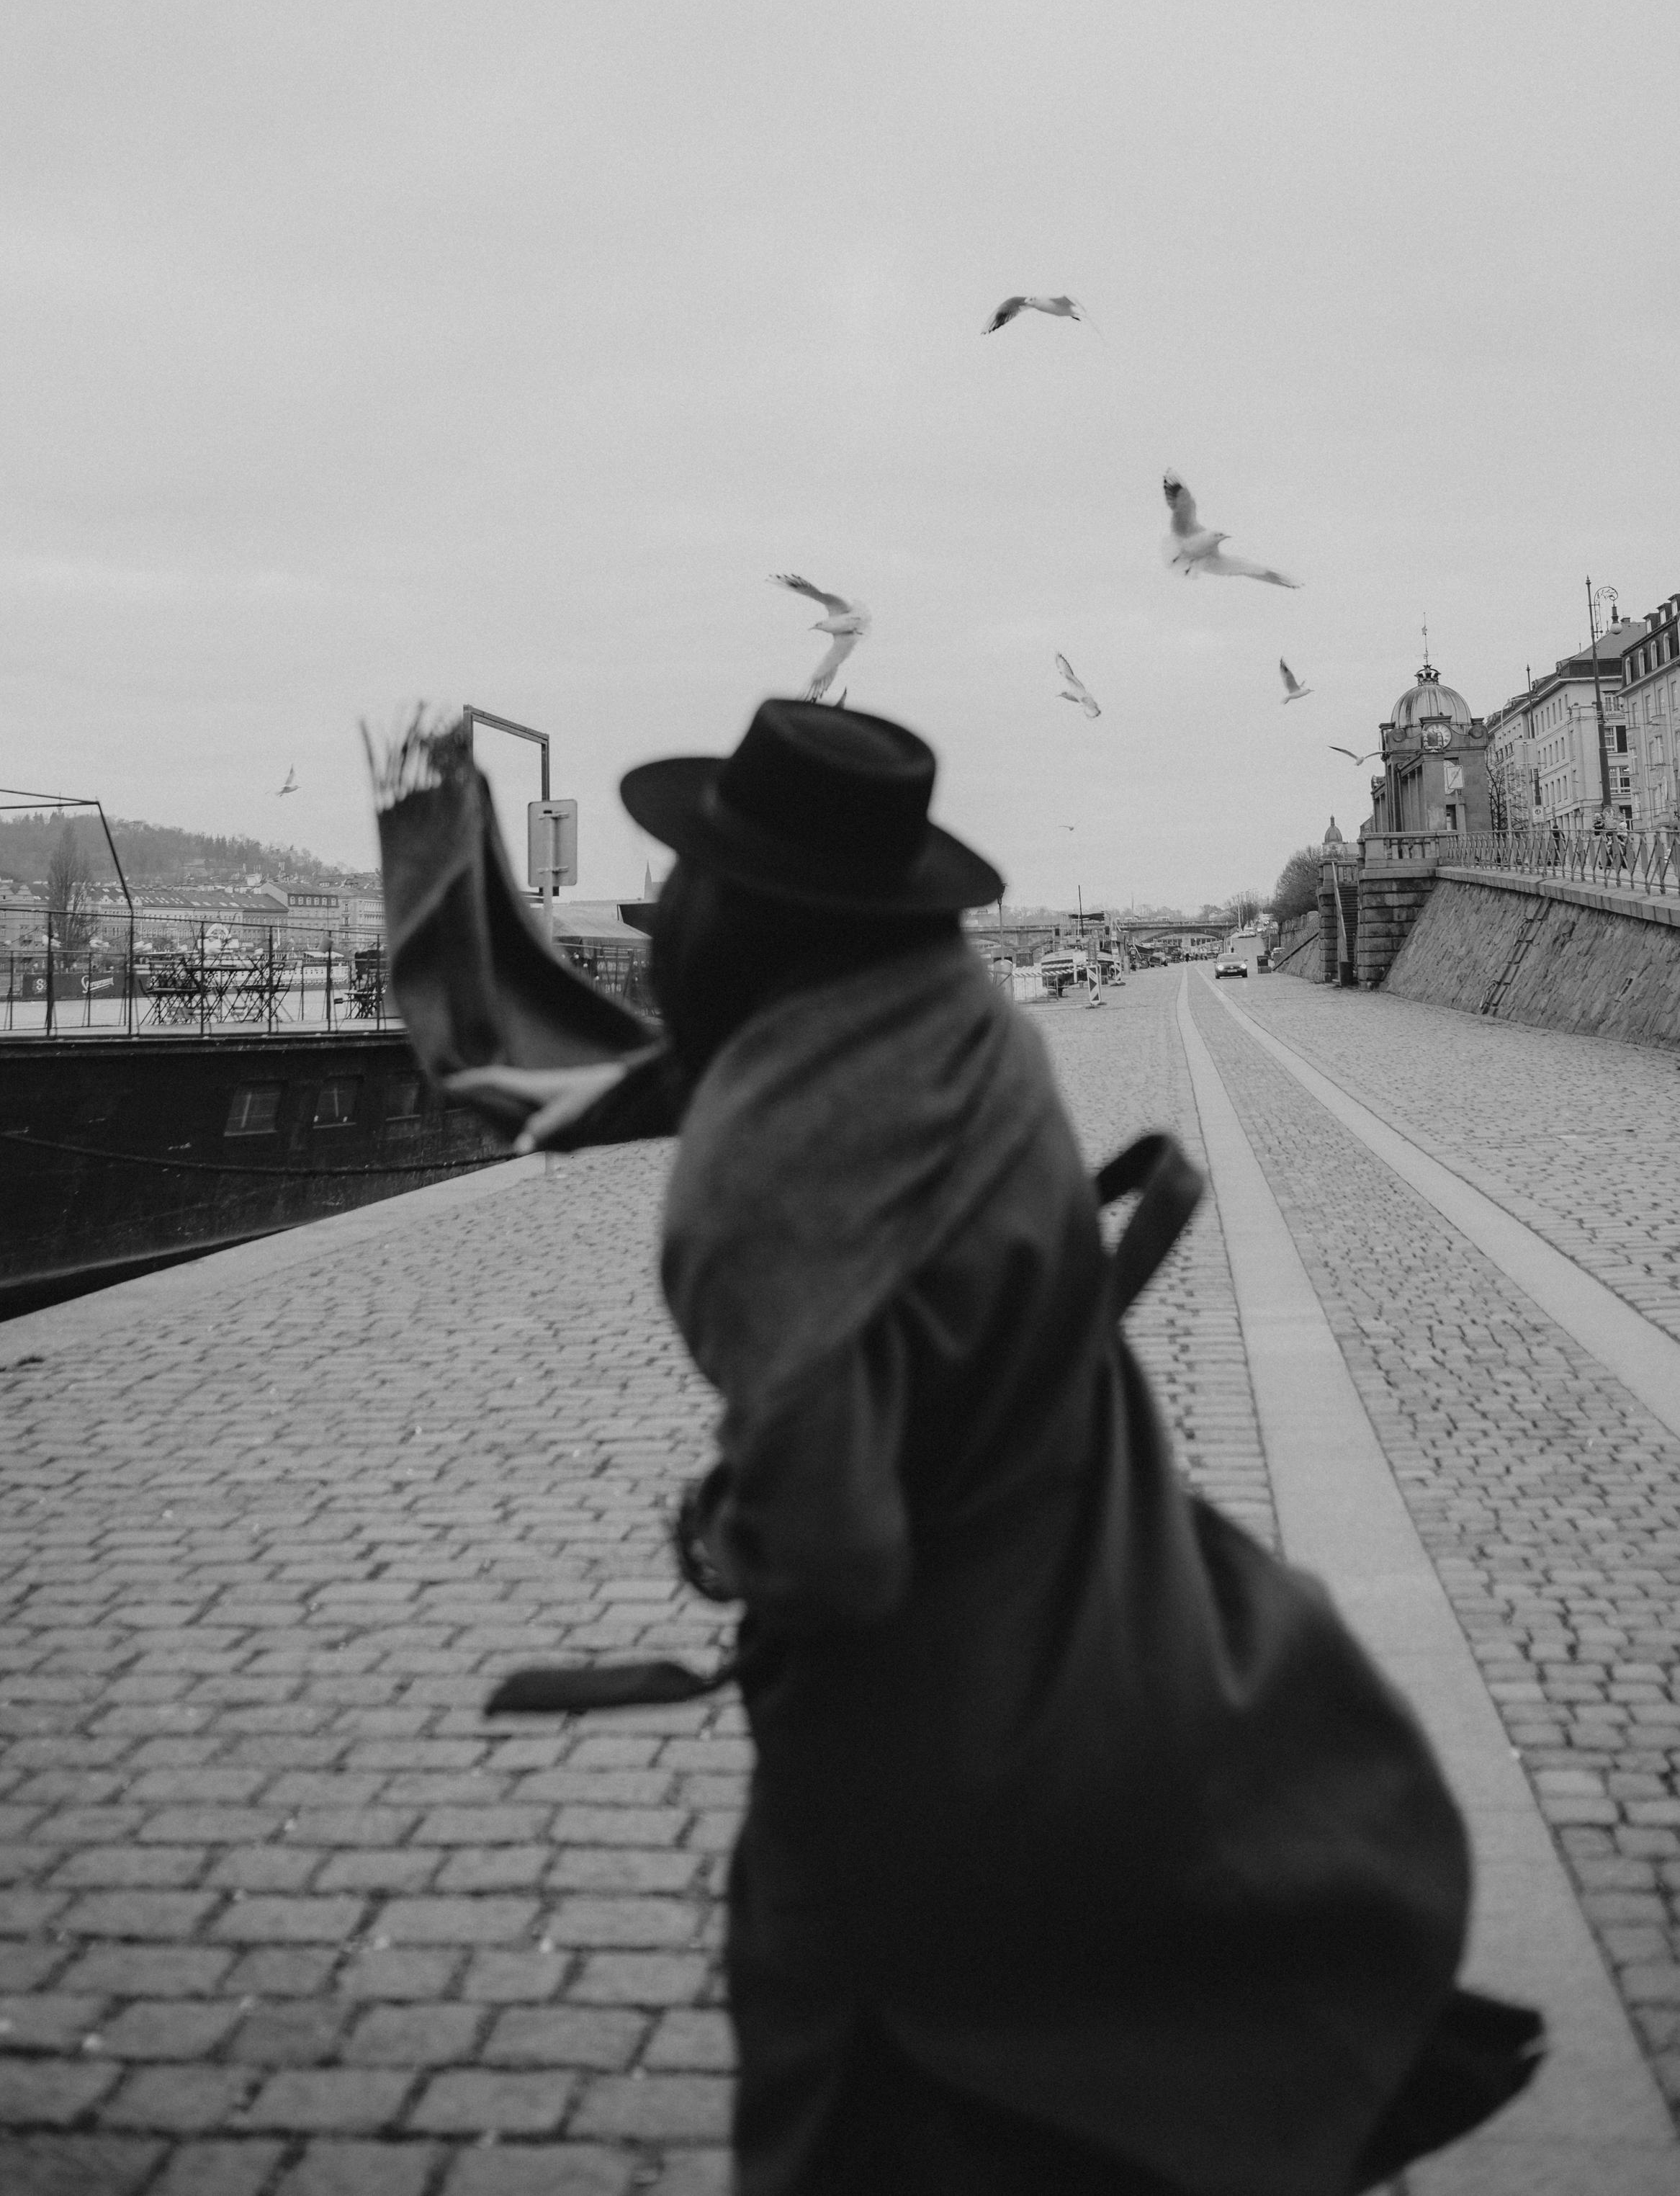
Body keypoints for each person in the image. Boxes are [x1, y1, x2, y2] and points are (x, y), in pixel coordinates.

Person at [451, 699, 1540, 2196]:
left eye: (683, 883)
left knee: (874, 2114)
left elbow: (839, 1546)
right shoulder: (965, 1022)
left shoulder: (757, 1174)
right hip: (1124, 1629)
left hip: (939, 1754)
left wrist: (730, 1533)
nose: (660, 909)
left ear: (754, 922)